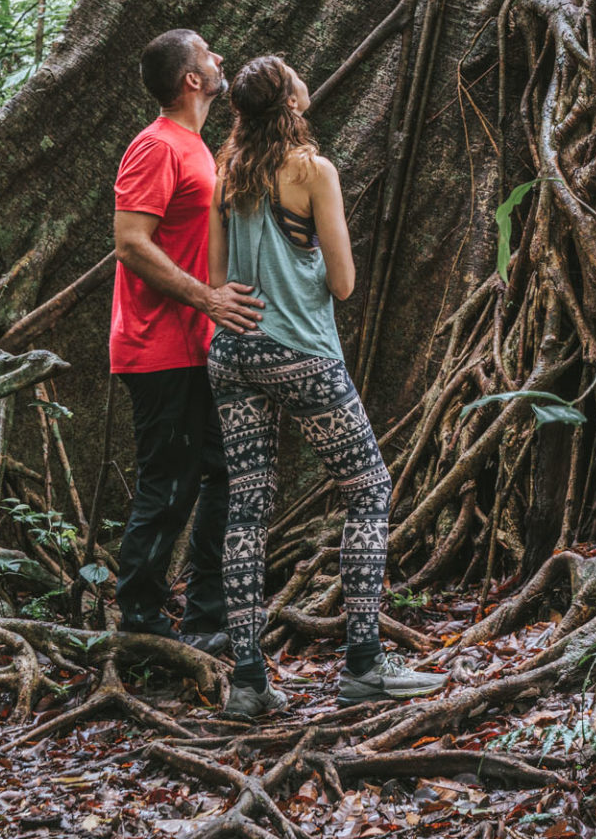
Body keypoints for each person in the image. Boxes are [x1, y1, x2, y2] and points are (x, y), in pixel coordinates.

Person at [207, 54, 445, 721]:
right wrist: (303, 263)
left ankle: (249, 681)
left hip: (232, 355)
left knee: (248, 508)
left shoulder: (225, 171)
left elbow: (218, 278)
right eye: (292, 73)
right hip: (300, 353)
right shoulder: (312, 171)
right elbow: (343, 284)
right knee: (368, 489)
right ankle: (365, 666)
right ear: (288, 99)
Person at [111, 29, 263, 650]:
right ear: (191, 80)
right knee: (168, 486)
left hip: (202, 346)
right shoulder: (154, 147)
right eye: (208, 53)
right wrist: (206, 298)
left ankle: (207, 618)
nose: (220, 56)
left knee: (224, 475)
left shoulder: (197, 146)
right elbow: (130, 243)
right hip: (157, 348)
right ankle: (141, 627)